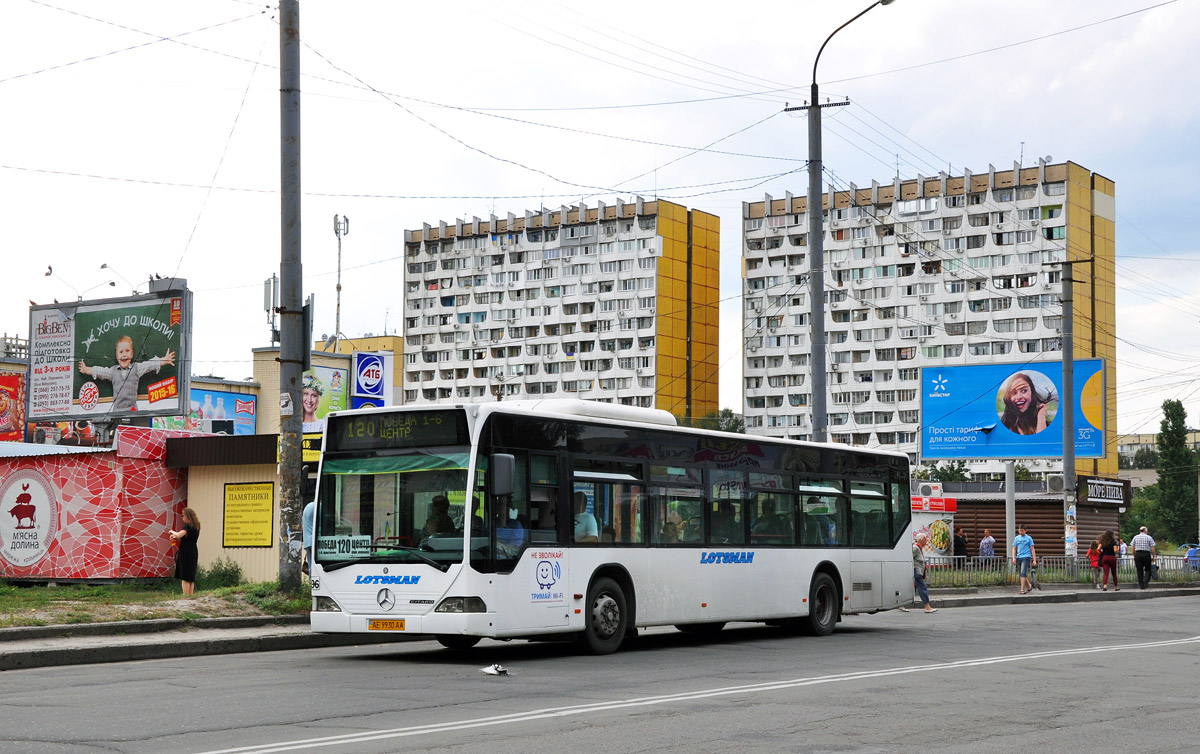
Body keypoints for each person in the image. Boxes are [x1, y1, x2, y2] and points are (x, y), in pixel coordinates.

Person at [78, 335, 176, 412]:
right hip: (117, 412)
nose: (124, 354)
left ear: (132, 354)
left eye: (127, 351)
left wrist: (163, 360)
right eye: (121, 352)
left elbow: (149, 365)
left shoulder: (136, 368)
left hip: (132, 410)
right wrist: (86, 369)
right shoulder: (113, 371)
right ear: (117, 356)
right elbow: (101, 372)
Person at [169, 507, 201, 596]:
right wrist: (176, 538)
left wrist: (172, 531)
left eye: (183, 515)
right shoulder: (196, 526)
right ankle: (191, 595)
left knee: (185, 577)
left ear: (187, 516)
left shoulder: (188, 526)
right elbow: (185, 538)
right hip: (193, 551)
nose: (182, 517)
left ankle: (186, 596)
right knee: (190, 577)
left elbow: (179, 534)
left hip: (186, 553)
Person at [904, 532, 937, 613]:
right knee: (922, 587)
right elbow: (908, 557)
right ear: (921, 540)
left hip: (917, 571)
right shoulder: (915, 548)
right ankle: (927, 606)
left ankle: (902, 605)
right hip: (916, 571)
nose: (926, 541)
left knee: (912, 589)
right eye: (925, 539)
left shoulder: (918, 548)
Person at [1011, 524, 1037, 594]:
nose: (1020, 532)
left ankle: (1022, 589)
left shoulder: (1029, 538)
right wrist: (1013, 558)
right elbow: (1014, 548)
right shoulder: (1017, 538)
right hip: (1019, 557)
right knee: (1022, 574)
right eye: (1019, 531)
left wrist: (1034, 560)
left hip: (1026, 557)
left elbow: (1032, 549)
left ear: (1025, 531)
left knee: (1023, 572)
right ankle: (1029, 586)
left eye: (1022, 531)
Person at [301, 500, 315, 576]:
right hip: (314, 541)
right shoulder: (316, 507)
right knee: (316, 566)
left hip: (307, 541)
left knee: (311, 566)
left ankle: (311, 583)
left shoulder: (307, 507)